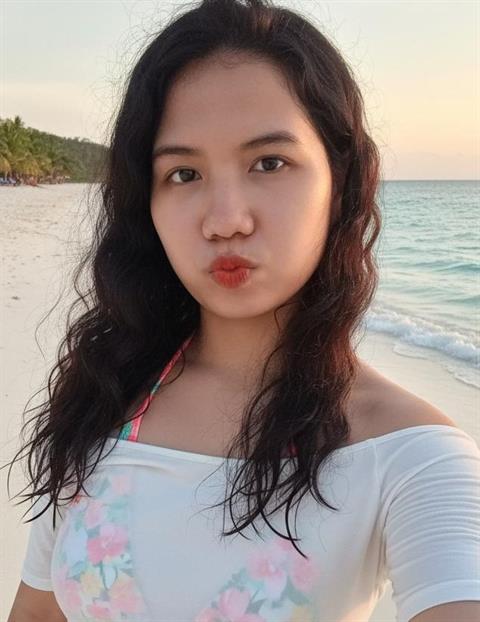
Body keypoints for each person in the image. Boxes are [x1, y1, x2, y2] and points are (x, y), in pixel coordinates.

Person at [6, 1, 480, 621]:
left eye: (269, 163)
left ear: (341, 181)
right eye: (183, 174)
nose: (225, 220)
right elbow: (37, 612)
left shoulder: (412, 458)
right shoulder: (105, 395)